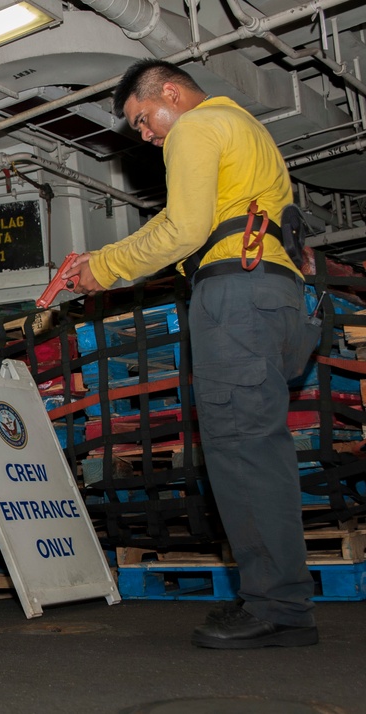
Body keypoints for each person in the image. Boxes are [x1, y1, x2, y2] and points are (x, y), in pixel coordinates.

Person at [61, 59, 319, 649]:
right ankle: (284, 601)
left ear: (171, 94)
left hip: (237, 297)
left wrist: (102, 268)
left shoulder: (197, 127)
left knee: (239, 454)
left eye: (145, 119)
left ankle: (276, 609)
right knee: (263, 453)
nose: (147, 135)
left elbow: (183, 227)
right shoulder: (251, 133)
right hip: (279, 299)